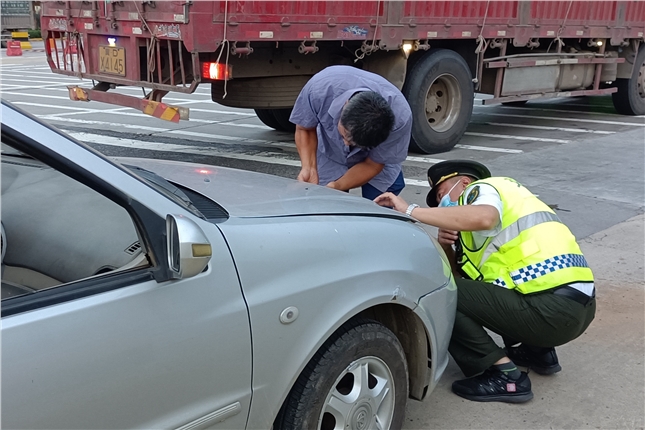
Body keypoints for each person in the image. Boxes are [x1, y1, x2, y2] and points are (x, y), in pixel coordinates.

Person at [374, 160, 596, 403]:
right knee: (469, 290)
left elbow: (484, 218)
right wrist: (447, 245)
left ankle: (505, 375)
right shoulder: (504, 214)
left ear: (465, 182)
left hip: (550, 309)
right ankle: (538, 352)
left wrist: (411, 211)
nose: (442, 203)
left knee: (437, 292)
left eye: (441, 194)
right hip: (577, 309)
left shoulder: (483, 189)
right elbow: (467, 287)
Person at [289, 66, 412, 200]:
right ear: (345, 106)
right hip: (331, 151)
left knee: (380, 204)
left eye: (355, 143)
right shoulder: (319, 89)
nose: (346, 143)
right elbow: (305, 129)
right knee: (325, 202)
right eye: (344, 135)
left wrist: (337, 185)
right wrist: (309, 167)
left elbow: (373, 164)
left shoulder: (401, 119)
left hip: (374, 161)